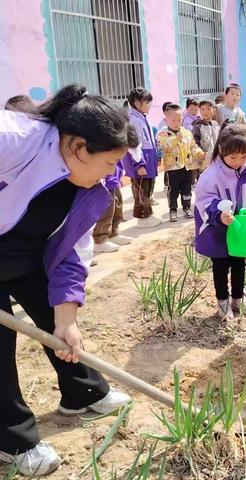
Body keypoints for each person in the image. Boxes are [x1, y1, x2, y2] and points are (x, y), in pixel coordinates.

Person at [0, 84, 134, 475]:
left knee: (59, 326)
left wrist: (67, 317)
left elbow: (74, 251)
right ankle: (13, 441)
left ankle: (82, 393)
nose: (115, 174)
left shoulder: (95, 185)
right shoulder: (13, 140)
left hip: (27, 252)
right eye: (110, 163)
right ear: (77, 147)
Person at [194, 123, 246, 320]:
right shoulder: (211, 175)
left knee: (240, 261)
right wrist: (219, 215)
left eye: (243, 156)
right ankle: (223, 301)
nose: (239, 161)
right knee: (221, 265)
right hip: (218, 229)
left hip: (240, 227)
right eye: (233, 157)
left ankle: (239, 298)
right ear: (222, 150)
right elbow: (204, 201)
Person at [157, 104, 205, 222]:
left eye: (179, 119)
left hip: (187, 167)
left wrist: (199, 154)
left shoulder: (186, 132)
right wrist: (175, 140)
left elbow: (193, 146)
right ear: (166, 119)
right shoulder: (162, 134)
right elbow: (162, 146)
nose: (177, 122)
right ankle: (173, 210)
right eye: (173, 120)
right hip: (173, 168)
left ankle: (187, 207)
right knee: (173, 190)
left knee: (187, 188)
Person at [122, 87, 161, 228]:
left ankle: (147, 214)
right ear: (138, 103)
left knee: (147, 187)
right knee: (141, 189)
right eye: (147, 102)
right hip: (140, 160)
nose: (150, 105)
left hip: (147, 157)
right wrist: (140, 165)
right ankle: (142, 218)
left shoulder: (141, 117)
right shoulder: (133, 120)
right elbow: (134, 144)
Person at [92, 161, 132, 253]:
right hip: (104, 177)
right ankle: (99, 239)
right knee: (106, 210)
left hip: (114, 176)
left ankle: (113, 233)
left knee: (117, 205)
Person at [192, 99, 220, 167]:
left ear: (214, 110)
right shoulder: (197, 126)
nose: (205, 112)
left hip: (217, 161)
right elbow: (195, 144)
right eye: (202, 109)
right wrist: (202, 155)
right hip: (204, 163)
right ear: (199, 110)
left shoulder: (216, 125)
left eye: (208, 109)